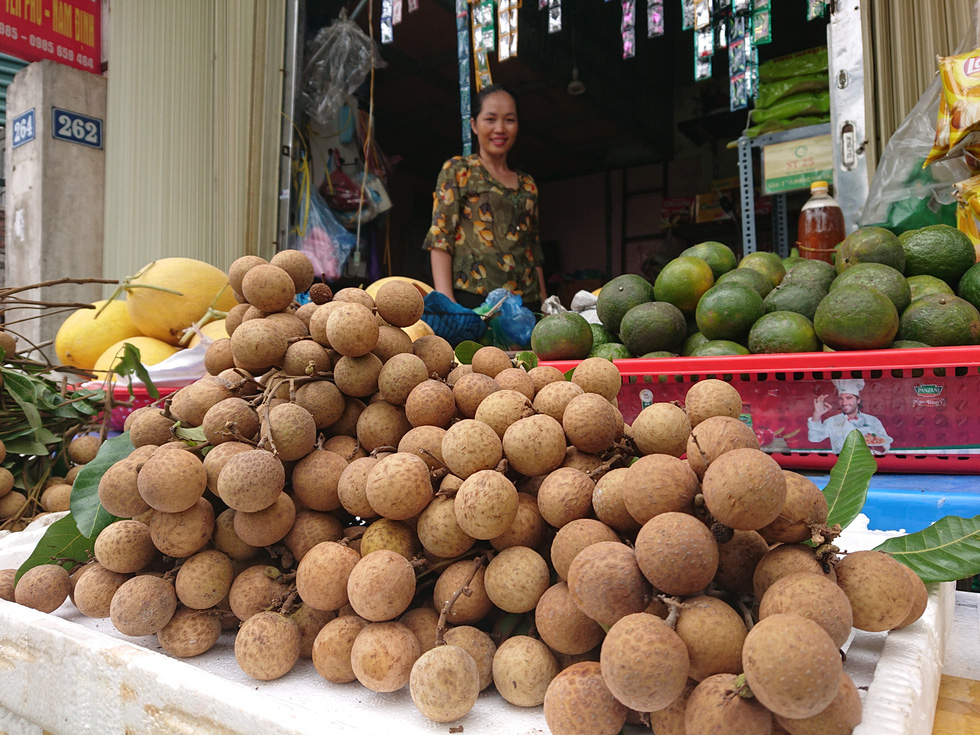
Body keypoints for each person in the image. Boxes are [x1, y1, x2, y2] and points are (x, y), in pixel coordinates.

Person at [423, 84, 547, 314]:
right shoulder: (459, 170)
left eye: (509, 120)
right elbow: (440, 239)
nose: (500, 128)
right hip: (472, 301)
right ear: (474, 125)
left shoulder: (528, 184)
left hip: (526, 304)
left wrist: (545, 306)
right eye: (490, 119)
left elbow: (533, 250)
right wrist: (447, 303)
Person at [807, 379, 893, 455]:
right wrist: (817, 414)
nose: (844, 402)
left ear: (858, 400)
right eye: (841, 399)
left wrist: (876, 447)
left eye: (848, 398)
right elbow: (814, 438)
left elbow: (885, 445)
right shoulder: (832, 421)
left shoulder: (872, 421)